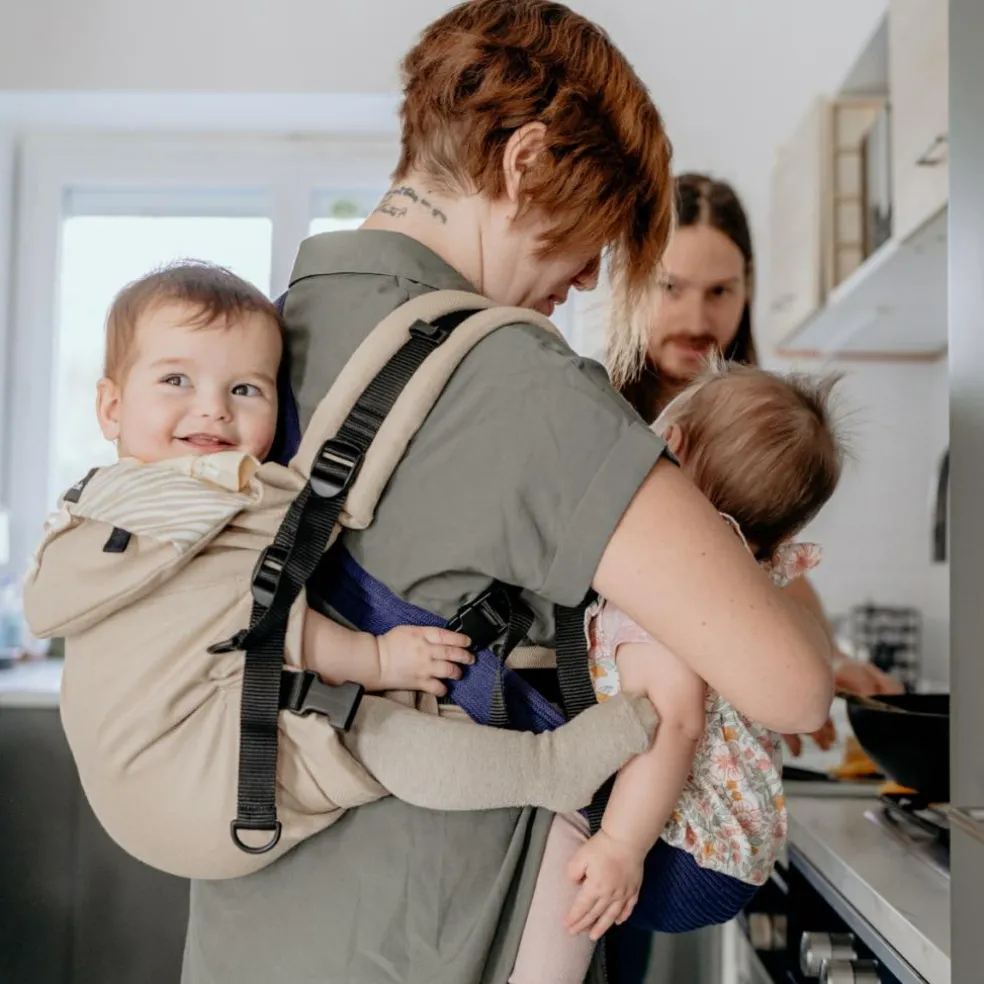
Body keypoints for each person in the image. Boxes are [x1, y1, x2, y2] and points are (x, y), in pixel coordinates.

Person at [180, 4, 833, 983]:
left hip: (249, 904)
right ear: (523, 161)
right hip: (427, 934)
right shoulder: (524, 387)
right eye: (589, 241)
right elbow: (792, 684)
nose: (578, 283)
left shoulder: (272, 331)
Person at [24, 260, 661, 880]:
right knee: (374, 737)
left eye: (245, 389)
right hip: (203, 780)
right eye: (176, 381)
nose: (213, 409)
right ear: (109, 407)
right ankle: (548, 769)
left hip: (145, 801)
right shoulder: (177, 506)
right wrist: (378, 662)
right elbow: (255, 622)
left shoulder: (93, 514)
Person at [510, 359, 844, 983]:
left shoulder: (677, 589)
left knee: (548, 800)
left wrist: (620, 846)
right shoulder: (742, 577)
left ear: (670, 444)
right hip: (709, 843)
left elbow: (678, 721)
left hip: (685, 852)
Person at [617, 172, 903, 759]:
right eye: (672, 287)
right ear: (634, 282)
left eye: (719, 292)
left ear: (747, 292)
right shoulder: (597, 416)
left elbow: (773, 568)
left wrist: (832, 660)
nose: (697, 318)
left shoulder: (760, 422)